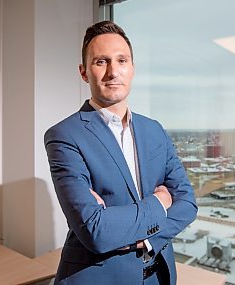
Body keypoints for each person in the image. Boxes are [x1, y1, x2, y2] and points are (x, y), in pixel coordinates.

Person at [44, 21, 198, 285]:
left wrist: (144, 237)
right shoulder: (63, 136)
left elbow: (187, 203)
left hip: (159, 276)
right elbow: (96, 231)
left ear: (132, 69)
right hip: (99, 277)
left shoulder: (154, 130)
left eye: (121, 60)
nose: (113, 72)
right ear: (84, 72)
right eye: (101, 62)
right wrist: (160, 202)